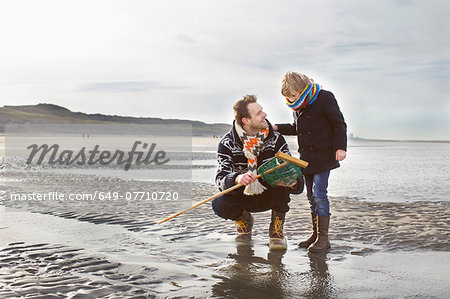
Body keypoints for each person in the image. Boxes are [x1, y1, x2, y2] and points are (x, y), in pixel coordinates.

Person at [212, 95, 303, 250]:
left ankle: (276, 231)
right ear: (246, 121)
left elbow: (295, 175)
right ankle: (244, 221)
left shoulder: (276, 139)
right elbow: (220, 179)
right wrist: (237, 178)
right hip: (243, 196)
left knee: (281, 178)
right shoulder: (227, 143)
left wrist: (293, 182)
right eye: (259, 113)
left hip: (271, 194)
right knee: (219, 203)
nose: (265, 115)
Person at [274, 72, 347, 253]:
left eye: (293, 95)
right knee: (310, 197)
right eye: (288, 97)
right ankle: (315, 234)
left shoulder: (324, 97)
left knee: (320, 194)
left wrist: (340, 147)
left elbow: (338, 123)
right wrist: (275, 128)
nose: (291, 100)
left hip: (324, 157)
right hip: (306, 160)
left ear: (302, 89)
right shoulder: (299, 106)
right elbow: (296, 129)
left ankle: (324, 238)